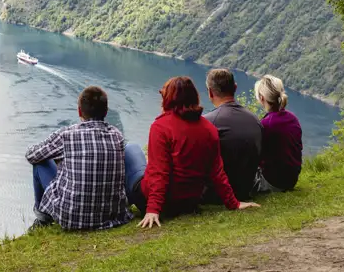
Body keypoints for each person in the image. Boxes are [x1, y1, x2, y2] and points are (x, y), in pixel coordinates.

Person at [128, 76, 260, 229]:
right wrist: (233, 203)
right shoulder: (208, 128)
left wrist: (153, 209)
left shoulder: (161, 127)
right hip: (190, 202)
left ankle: (118, 206)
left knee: (131, 150)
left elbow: (160, 172)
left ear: (169, 98)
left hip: (158, 202)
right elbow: (217, 171)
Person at [26, 86, 132, 231]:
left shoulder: (66, 135)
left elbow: (32, 155)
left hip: (71, 218)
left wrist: (60, 160)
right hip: (112, 216)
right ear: (106, 112)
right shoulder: (117, 135)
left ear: (79, 111)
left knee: (40, 163)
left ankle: (43, 219)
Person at [203, 68, 262, 201]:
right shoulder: (254, 119)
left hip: (215, 194)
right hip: (246, 189)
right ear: (235, 88)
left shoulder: (208, 122)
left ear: (210, 92)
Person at [254, 75, 303, 192]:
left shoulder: (266, 124)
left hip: (273, 182)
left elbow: (257, 156)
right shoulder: (292, 118)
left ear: (261, 98)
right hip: (291, 179)